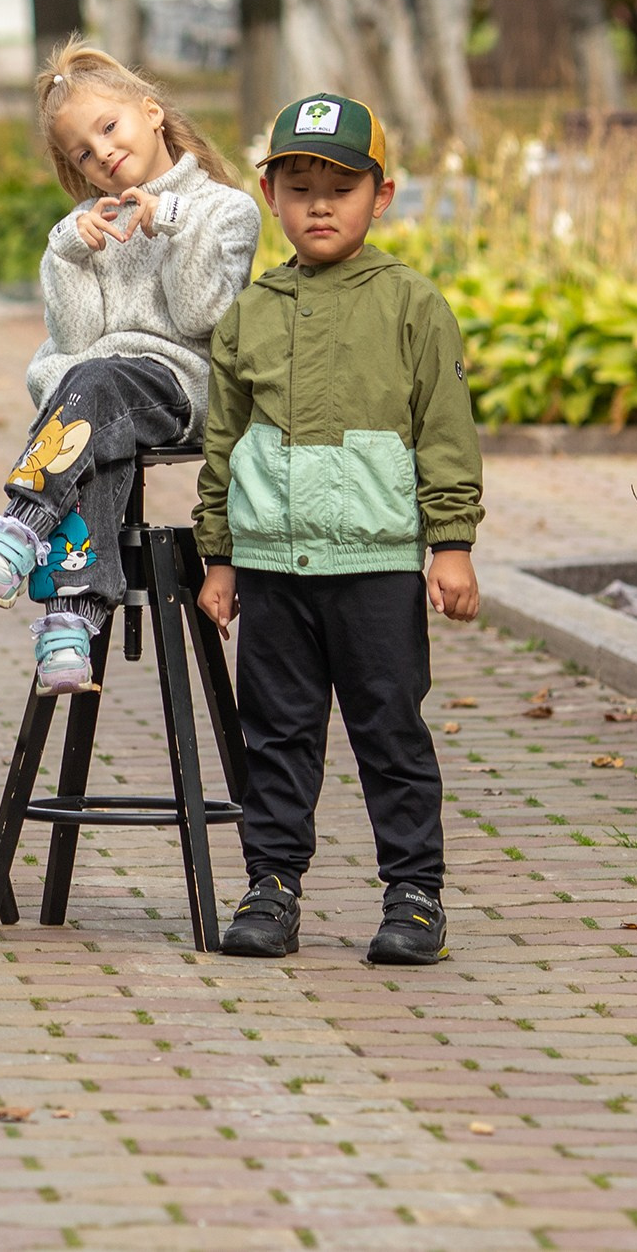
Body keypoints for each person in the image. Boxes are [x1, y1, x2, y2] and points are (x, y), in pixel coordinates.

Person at [195, 95, 483, 966]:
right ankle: (272, 886)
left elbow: (444, 428)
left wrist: (453, 541)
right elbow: (224, 438)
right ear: (269, 192)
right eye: (299, 185)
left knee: (389, 729)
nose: (321, 204)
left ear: (382, 195)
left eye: (342, 187)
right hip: (274, 567)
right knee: (274, 734)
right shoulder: (252, 312)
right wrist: (219, 554)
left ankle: (415, 895)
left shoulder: (411, 304)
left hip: (377, 565)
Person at [0, 40, 260, 697]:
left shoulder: (225, 211)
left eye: (109, 128)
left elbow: (198, 313)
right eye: (82, 154)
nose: (102, 155)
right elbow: (76, 337)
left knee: (94, 389)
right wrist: (65, 253)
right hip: (103, 397)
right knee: (96, 416)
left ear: (151, 113)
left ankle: (21, 528)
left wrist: (172, 223)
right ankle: (72, 621)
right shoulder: (89, 225)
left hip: (181, 387)